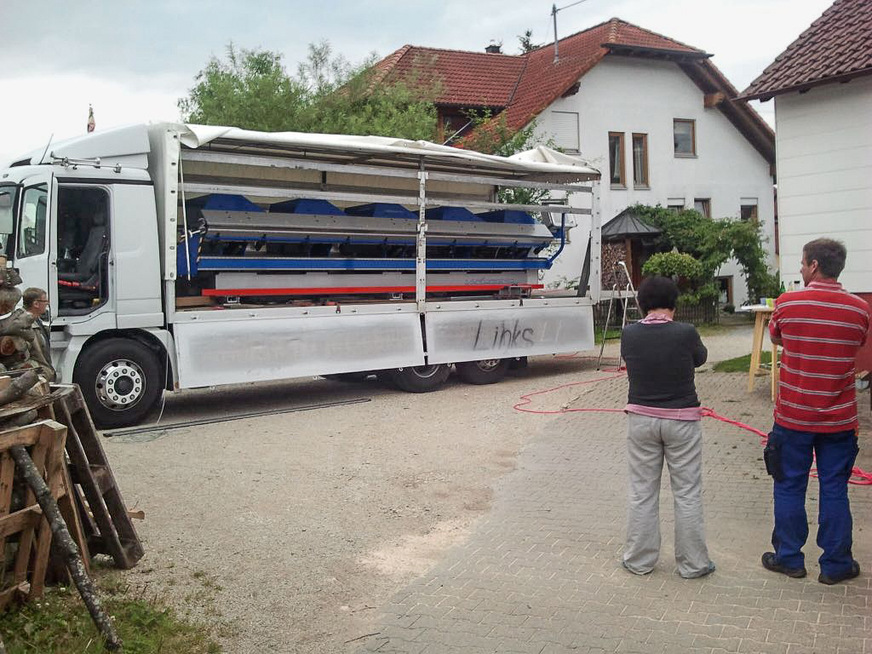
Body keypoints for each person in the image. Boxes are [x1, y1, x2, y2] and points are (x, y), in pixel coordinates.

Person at [763, 238, 870, 585]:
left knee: (790, 485)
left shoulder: (787, 303)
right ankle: (836, 564)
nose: (799, 267)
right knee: (834, 487)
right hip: (839, 419)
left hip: (793, 417)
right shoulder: (859, 310)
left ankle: (789, 559)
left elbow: (777, 337)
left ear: (813, 266)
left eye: (802, 262)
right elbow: (858, 342)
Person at [620, 275, 715, 578]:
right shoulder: (686, 333)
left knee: (642, 492)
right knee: (687, 493)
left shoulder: (628, 334)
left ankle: (639, 561)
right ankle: (694, 564)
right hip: (682, 421)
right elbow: (700, 358)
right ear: (674, 304)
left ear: (641, 304)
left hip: (641, 421)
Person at [22, 286, 55, 381]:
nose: (47, 303)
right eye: (45, 301)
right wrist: (41, 372)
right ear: (36, 304)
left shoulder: (36, 321)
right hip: (36, 378)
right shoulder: (24, 325)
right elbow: (23, 359)